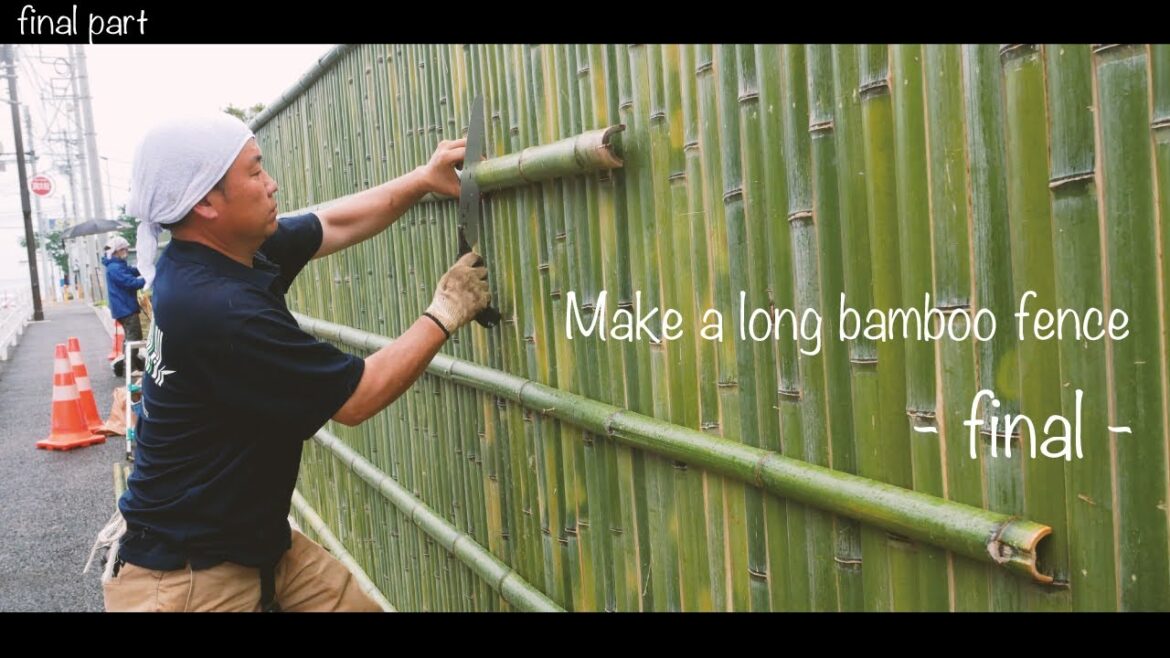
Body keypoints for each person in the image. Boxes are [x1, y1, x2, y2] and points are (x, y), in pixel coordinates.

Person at [100, 113, 490, 612]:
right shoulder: (217, 309)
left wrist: (420, 179)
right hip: (186, 580)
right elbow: (357, 397)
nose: (272, 183)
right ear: (204, 203)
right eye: (255, 171)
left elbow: (333, 223)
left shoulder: (222, 254)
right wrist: (445, 312)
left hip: (253, 546)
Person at [101, 236, 146, 374]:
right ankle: (130, 368)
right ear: (117, 251)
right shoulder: (115, 268)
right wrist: (148, 278)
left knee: (130, 337)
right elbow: (130, 283)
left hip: (123, 308)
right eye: (124, 249)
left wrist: (143, 267)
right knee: (134, 337)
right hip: (125, 308)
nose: (126, 251)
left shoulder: (117, 265)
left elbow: (131, 272)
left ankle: (129, 364)